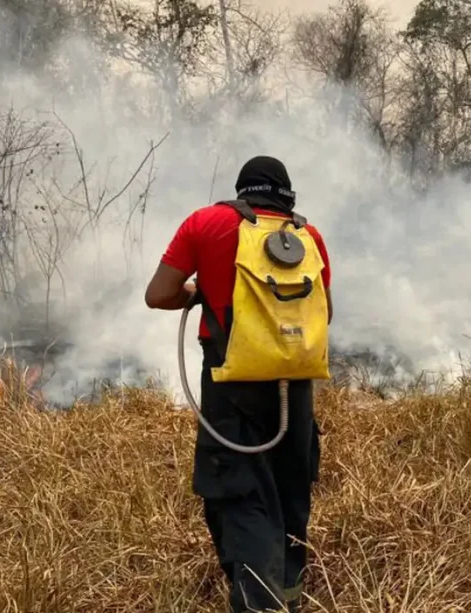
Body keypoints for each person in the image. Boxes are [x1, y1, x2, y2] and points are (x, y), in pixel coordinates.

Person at [144, 155, 332, 612]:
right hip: (296, 386)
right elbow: (323, 315)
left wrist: (201, 294)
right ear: (286, 195)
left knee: (242, 494)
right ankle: (289, 595)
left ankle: (259, 605)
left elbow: (158, 294)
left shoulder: (206, 224)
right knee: (290, 489)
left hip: (232, 385)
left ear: (242, 189)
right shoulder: (309, 237)